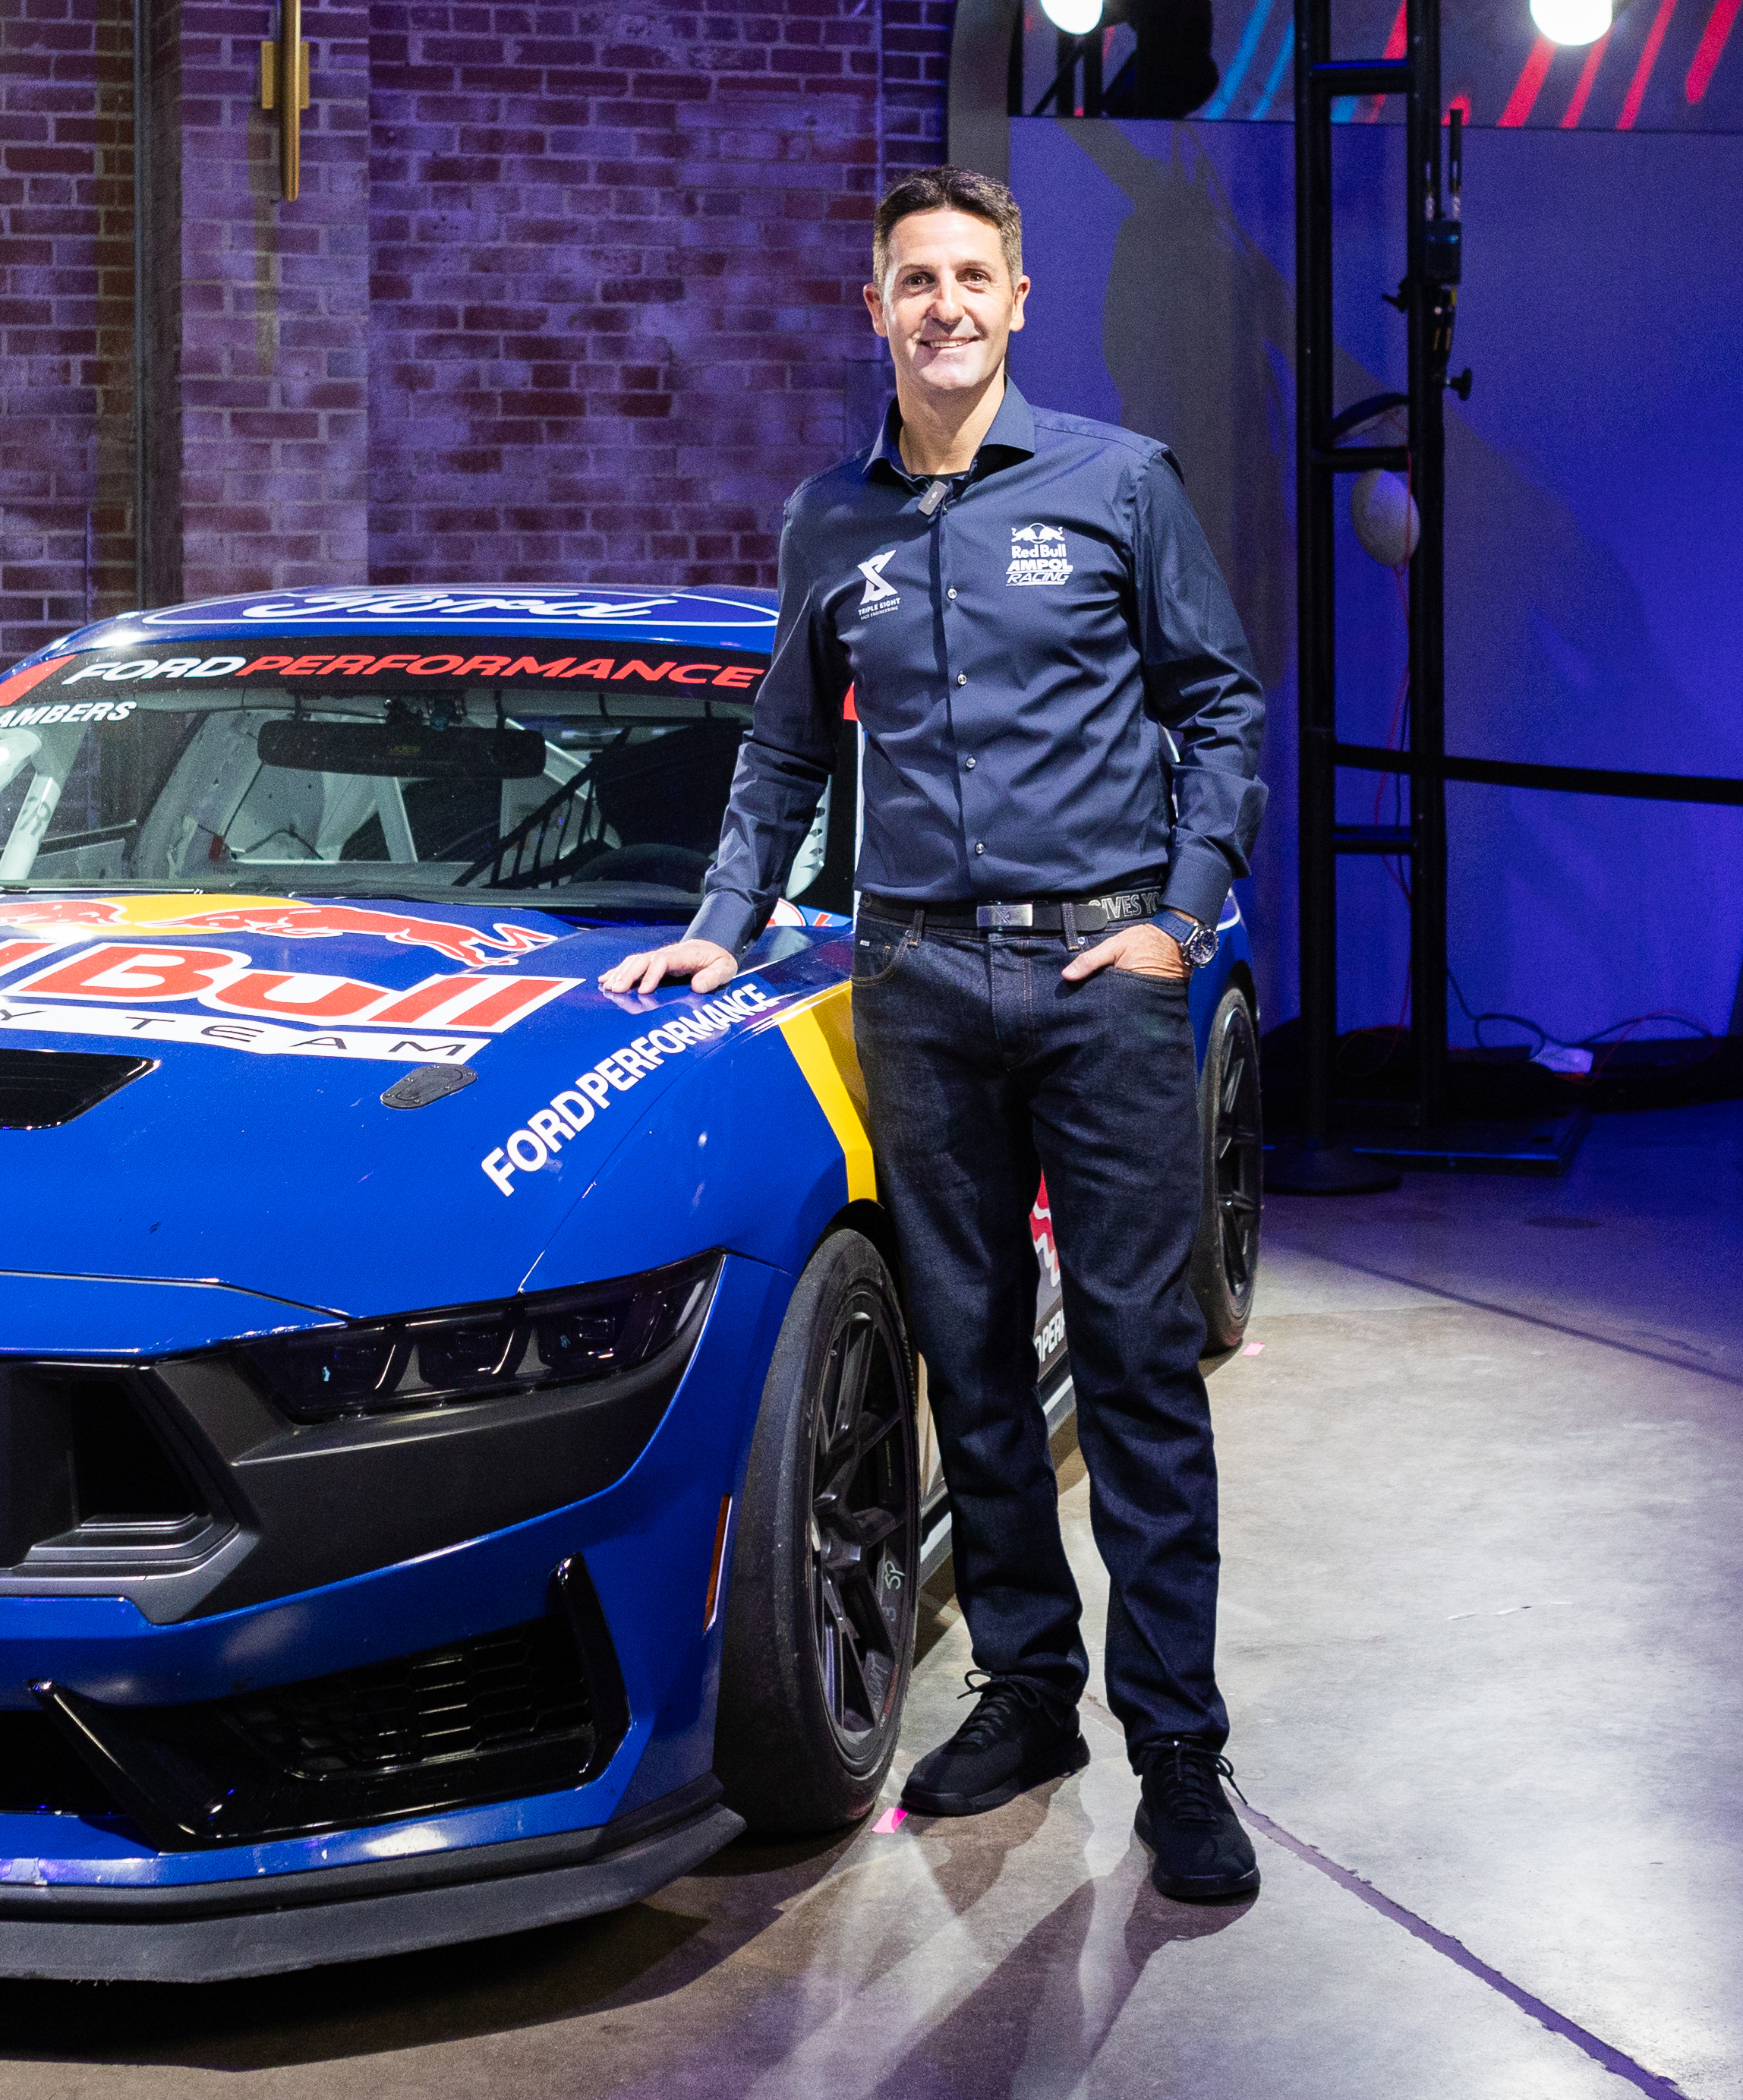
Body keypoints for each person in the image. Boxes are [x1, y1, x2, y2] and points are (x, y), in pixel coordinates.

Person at [604, 166, 1267, 1903]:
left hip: (1096, 985)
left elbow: (1219, 706)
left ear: (1020, 302)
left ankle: (1181, 1751)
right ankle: (1028, 1696)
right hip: (915, 986)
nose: (947, 304)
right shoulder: (833, 519)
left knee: (1129, 1367)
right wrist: (714, 928)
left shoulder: (1121, 485)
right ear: (877, 308)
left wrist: (1178, 918)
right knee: (966, 1361)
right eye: (918, 279)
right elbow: (782, 755)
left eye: (976, 276)